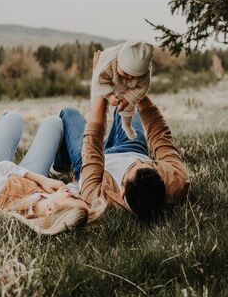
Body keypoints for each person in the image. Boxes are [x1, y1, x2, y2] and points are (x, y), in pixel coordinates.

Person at [0, 111, 105, 235]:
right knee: (54, 123)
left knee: (13, 118)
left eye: (72, 197)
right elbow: (74, 191)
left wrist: (41, 179)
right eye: (79, 197)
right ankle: (58, 166)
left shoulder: (3, 197)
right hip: (28, 185)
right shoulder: (48, 204)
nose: (74, 193)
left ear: (50, 209)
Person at [55, 91, 190, 218]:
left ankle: (62, 163)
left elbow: (92, 146)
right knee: (129, 104)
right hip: (131, 147)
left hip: (90, 163)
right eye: (147, 164)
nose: (137, 161)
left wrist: (103, 92)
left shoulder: (98, 199)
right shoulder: (176, 181)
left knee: (69, 113)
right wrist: (136, 91)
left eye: (132, 167)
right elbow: (160, 134)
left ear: (122, 191)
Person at [91, 40, 154, 139]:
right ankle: (101, 131)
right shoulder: (107, 62)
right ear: (118, 61)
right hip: (107, 80)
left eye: (135, 76)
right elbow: (99, 82)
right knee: (99, 104)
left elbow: (142, 88)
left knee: (129, 106)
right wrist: (109, 96)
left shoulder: (144, 74)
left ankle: (127, 125)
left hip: (127, 88)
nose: (130, 77)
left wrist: (128, 98)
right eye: (126, 73)